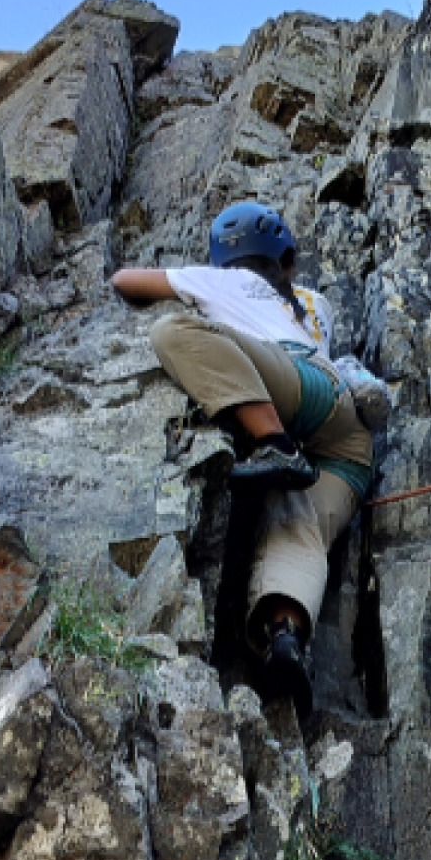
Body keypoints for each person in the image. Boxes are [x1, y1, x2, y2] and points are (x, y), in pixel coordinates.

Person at [110, 201, 379, 716]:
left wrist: (197, 284)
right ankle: (285, 634)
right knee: (294, 521)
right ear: (286, 261)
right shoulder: (315, 304)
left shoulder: (223, 281)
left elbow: (126, 282)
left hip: (302, 394)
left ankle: (271, 441)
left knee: (173, 332)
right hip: (350, 443)